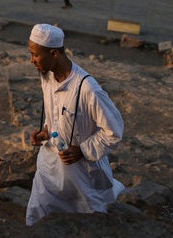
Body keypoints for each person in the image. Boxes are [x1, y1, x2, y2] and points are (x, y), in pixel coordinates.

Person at [25, 24, 124, 226]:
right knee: (38, 214)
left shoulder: (88, 88)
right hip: (50, 167)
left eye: (35, 55)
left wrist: (82, 150)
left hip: (80, 174)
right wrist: (46, 131)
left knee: (87, 220)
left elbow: (114, 132)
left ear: (53, 53)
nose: (32, 61)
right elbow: (57, 114)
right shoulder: (47, 75)